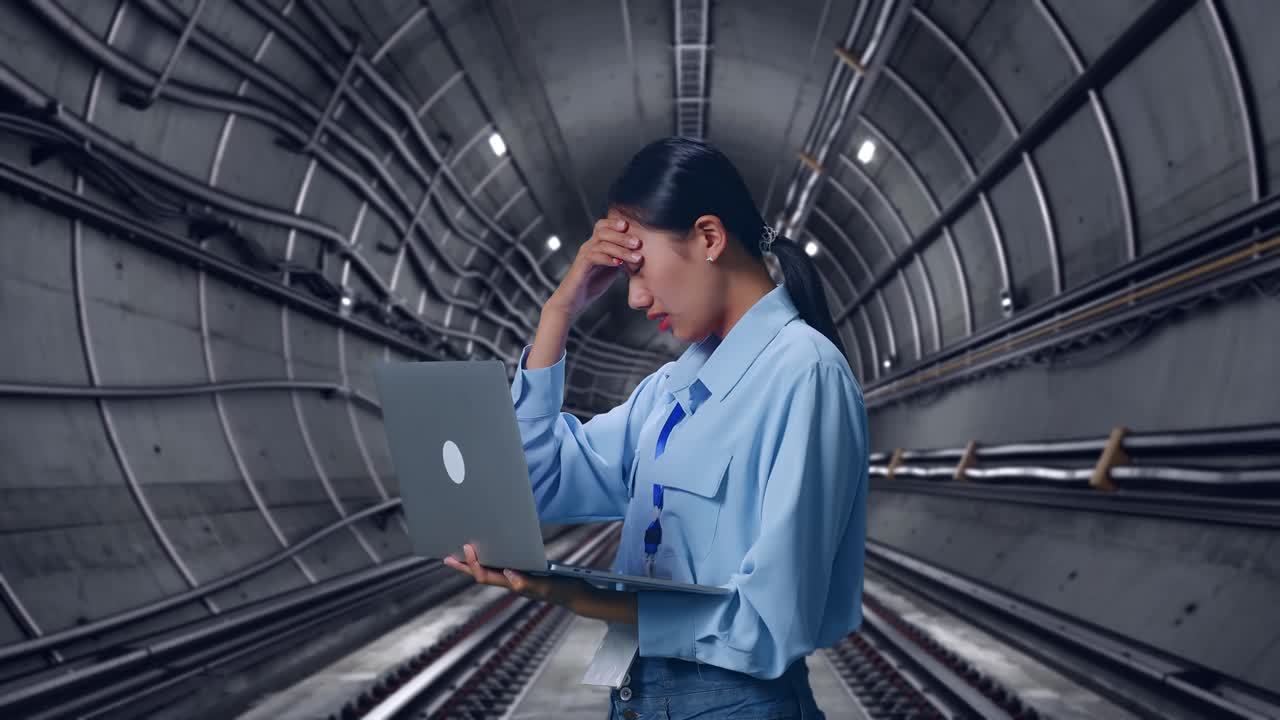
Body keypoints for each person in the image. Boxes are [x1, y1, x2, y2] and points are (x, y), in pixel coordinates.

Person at [442, 136, 868, 719]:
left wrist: (578, 595)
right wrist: (557, 314)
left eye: (638, 268)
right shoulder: (668, 392)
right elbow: (535, 483)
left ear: (710, 238)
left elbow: (768, 623)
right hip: (640, 696)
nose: (636, 297)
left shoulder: (805, 375)